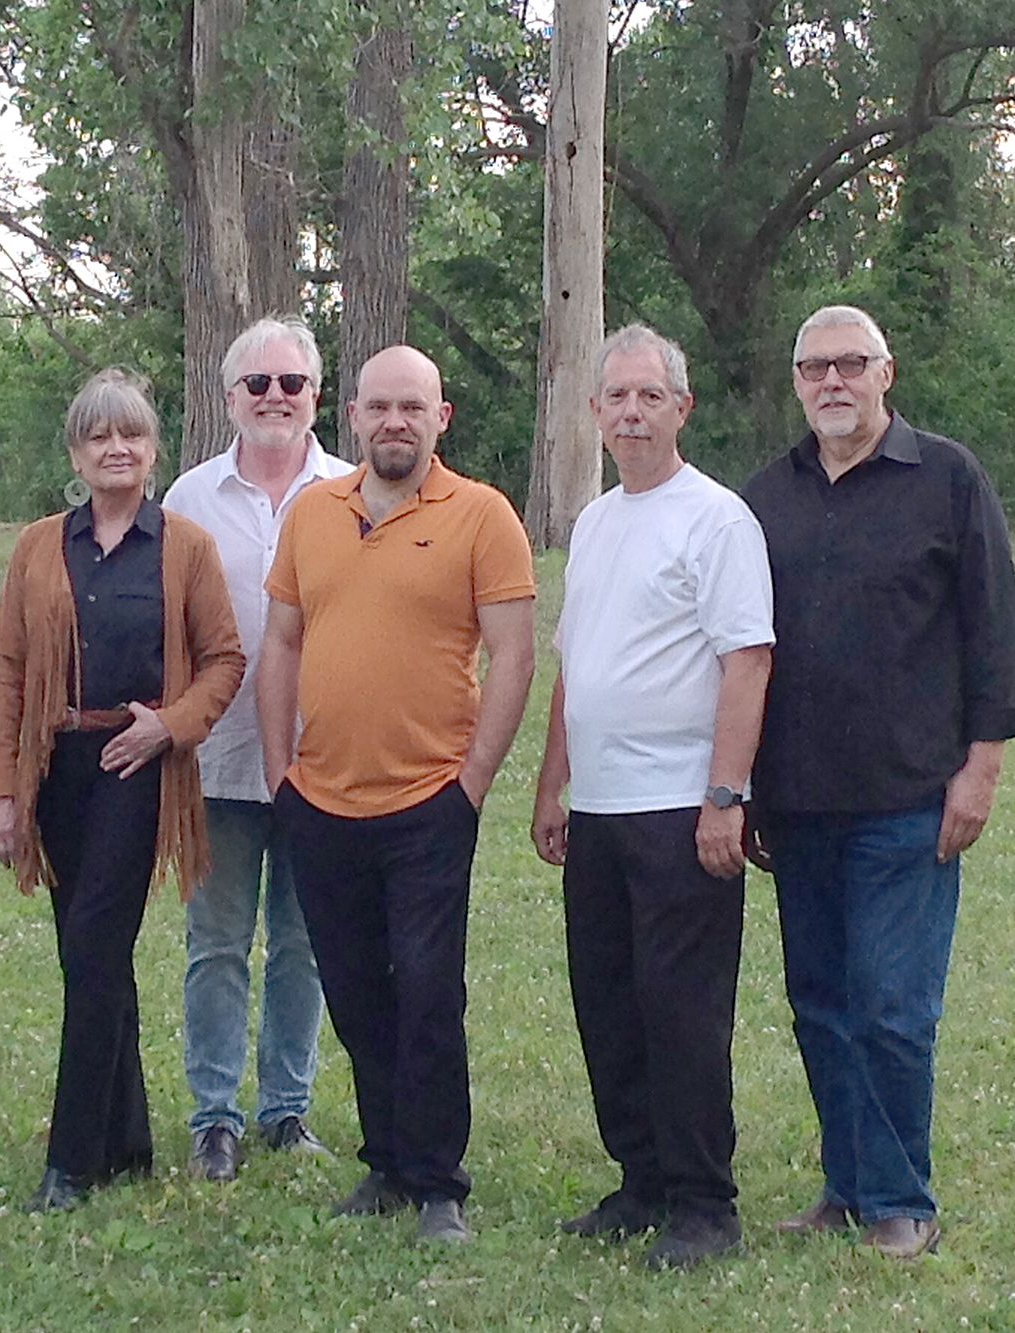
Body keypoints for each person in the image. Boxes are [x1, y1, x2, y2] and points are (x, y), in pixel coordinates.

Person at [741, 305, 1015, 1260]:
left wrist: (981, 768)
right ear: (796, 382)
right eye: (814, 367)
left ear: (886, 373)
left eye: (851, 364)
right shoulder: (764, 498)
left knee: (892, 1004)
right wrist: (739, 783)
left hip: (910, 800)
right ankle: (848, 1182)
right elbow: (743, 654)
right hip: (797, 802)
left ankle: (903, 1198)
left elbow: (999, 633)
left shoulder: (947, 479)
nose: (832, 381)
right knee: (820, 1001)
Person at [257, 344, 536, 1245]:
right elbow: (282, 646)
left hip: (428, 801)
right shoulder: (312, 513)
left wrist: (472, 783)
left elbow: (515, 655)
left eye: (413, 407)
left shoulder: (482, 515)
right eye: (379, 407)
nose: (395, 422)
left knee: (426, 989)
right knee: (352, 987)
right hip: (322, 799)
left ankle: (437, 1182)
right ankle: (383, 1159)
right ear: (353, 415)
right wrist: (278, 773)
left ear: (440, 418)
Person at [529, 325, 774, 1270]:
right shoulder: (593, 521)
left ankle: (705, 1201)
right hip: (599, 810)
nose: (630, 412)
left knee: (682, 1009)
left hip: (682, 808)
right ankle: (641, 1179)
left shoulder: (716, 519)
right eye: (614, 397)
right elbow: (572, 664)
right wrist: (555, 779)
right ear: (593, 412)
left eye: (649, 396)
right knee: (610, 1003)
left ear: (683, 406)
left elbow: (746, 660)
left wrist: (725, 795)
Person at [0, 368, 245, 1213]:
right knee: (89, 957)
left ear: (153, 449)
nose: (116, 448)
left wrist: (171, 724)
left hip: (138, 774)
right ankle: (127, 1137)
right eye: (99, 436)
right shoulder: (36, 547)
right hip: (55, 774)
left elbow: (225, 661)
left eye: (130, 434)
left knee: (94, 951)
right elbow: (8, 670)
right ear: (76, 452)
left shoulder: (186, 547)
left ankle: (71, 1161)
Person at [161, 317, 353, 1182]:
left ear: (316, 395)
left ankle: (286, 1108)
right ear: (228, 396)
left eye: (292, 383)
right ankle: (214, 1116)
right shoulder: (187, 500)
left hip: (328, 759)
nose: (275, 397)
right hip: (220, 759)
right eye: (258, 384)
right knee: (217, 942)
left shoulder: (354, 491)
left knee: (305, 942)